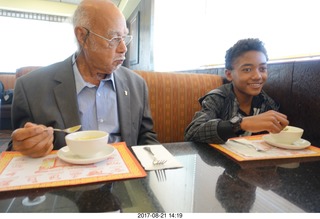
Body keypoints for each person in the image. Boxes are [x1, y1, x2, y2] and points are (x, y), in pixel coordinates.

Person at [8, 0, 159, 158]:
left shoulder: (136, 85)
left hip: (124, 178)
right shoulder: (31, 88)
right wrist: (27, 145)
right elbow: (17, 148)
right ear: (82, 36)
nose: (123, 48)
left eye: (124, 37)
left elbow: (146, 137)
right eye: (114, 38)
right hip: (67, 178)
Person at [184, 38, 289, 144]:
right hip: (218, 159)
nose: (257, 76)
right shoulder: (218, 98)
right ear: (229, 74)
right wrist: (240, 124)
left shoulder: (266, 103)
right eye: (247, 69)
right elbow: (193, 132)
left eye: (262, 69)